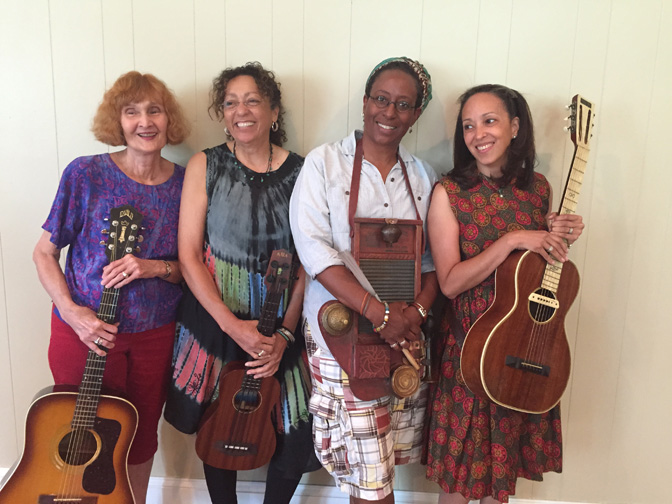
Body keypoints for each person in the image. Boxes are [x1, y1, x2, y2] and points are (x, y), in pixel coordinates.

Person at [163, 62, 319, 504]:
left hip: (281, 325)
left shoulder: (303, 172)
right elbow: (189, 256)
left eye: (252, 100)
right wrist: (234, 327)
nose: (241, 110)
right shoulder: (205, 164)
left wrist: (284, 335)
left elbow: (312, 259)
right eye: (230, 102)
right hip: (217, 318)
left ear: (273, 111)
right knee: (221, 424)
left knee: (296, 427)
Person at [33, 71, 190, 504]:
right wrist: (72, 312)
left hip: (154, 336)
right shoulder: (86, 174)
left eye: (154, 110)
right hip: (82, 331)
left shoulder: (185, 184)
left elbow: (189, 269)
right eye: (132, 111)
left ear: (167, 118)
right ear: (117, 121)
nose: (145, 121)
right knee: (76, 434)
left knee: (137, 439)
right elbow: (43, 254)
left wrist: (152, 266)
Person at [425, 84, 585, 503]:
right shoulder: (449, 194)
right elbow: (450, 282)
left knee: (499, 479)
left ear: (515, 126)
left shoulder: (539, 190)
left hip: (522, 346)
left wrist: (559, 238)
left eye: (490, 121)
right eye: (468, 126)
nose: (479, 134)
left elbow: (538, 269)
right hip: (471, 351)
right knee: (460, 482)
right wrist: (514, 238)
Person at [289, 57, 439, 504]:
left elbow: (431, 261)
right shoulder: (324, 164)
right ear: (364, 102)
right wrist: (380, 313)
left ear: (415, 115)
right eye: (381, 99)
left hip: (402, 334)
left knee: (379, 462)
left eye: (403, 104)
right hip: (341, 333)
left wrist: (415, 313)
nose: (389, 113)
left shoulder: (422, 176)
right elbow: (314, 250)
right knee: (370, 476)